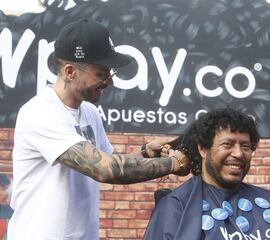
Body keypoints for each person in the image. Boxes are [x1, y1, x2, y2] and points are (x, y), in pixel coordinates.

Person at [8, 19, 190, 240]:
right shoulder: (40, 112)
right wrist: (174, 163)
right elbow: (106, 169)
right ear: (70, 71)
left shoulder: (90, 113)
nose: (109, 82)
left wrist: (144, 152)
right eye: (102, 73)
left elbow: (109, 159)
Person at [144, 108, 270, 240]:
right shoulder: (176, 207)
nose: (239, 153)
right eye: (227, 144)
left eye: (246, 146)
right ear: (203, 149)